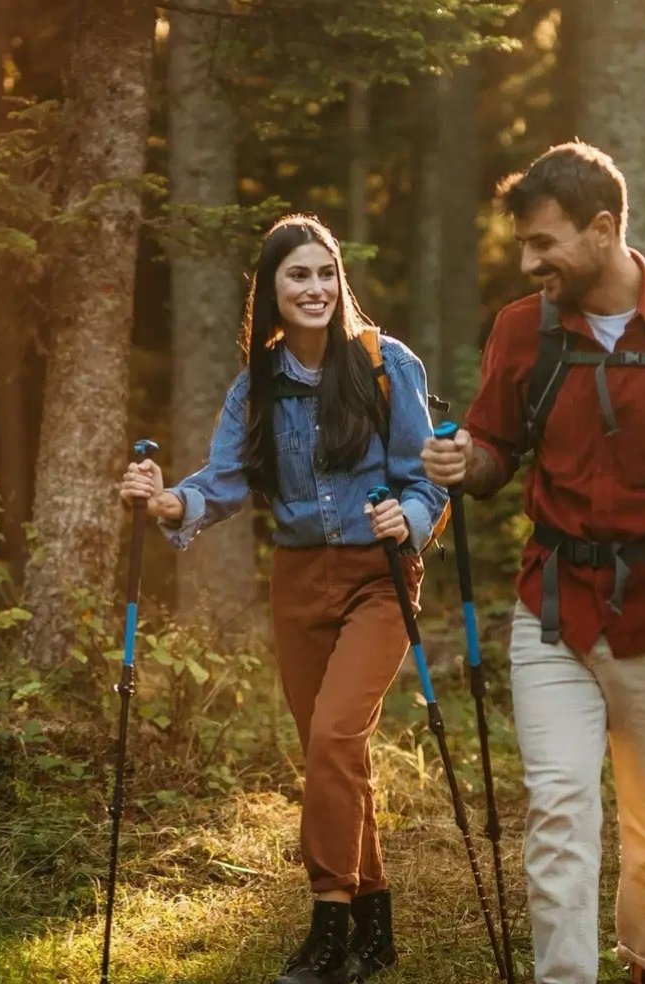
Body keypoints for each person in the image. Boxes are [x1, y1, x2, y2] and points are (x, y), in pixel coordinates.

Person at [421, 143, 645, 984]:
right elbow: (494, 452)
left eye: (544, 243)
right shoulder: (522, 329)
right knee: (560, 809)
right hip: (554, 609)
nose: (527, 261)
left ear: (605, 229)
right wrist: (461, 461)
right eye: (522, 244)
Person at [121, 214, 448, 984]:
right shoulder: (255, 388)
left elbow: (426, 476)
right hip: (299, 581)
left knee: (336, 736)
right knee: (334, 753)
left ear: (342, 282)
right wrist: (167, 501)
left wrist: (412, 518)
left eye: (325, 273)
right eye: (298, 276)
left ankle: (329, 920)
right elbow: (221, 483)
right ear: (271, 292)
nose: (315, 288)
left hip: (379, 578)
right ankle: (378, 924)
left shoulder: (385, 365)